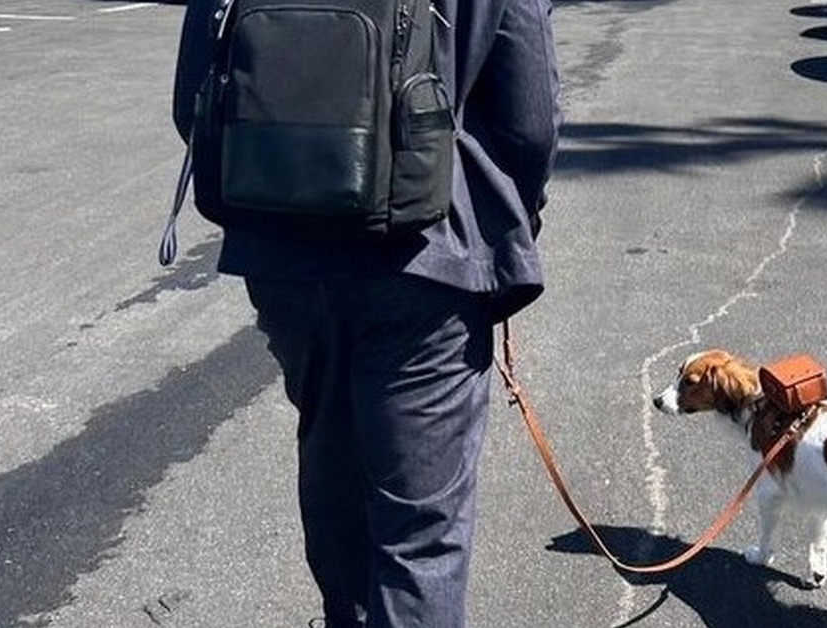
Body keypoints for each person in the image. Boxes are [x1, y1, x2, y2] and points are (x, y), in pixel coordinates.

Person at [170, 0, 561, 625]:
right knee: (420, 536)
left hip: (283, 256)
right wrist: (505, 226)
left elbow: (195, 93)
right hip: (425, 258)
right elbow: (530, 120)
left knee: (336, 479)